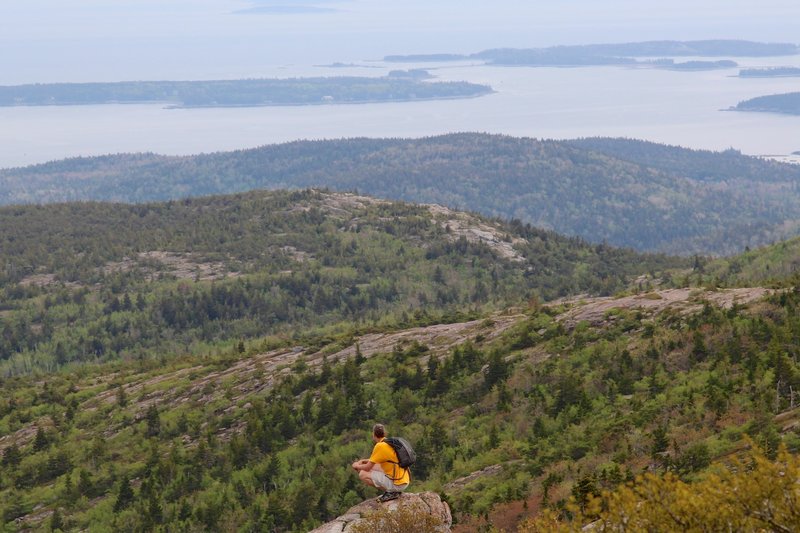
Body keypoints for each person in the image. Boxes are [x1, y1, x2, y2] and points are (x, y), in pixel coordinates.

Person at [351, 423, 411, 502]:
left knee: (363, 474)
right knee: (374, 467)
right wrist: (364, 461)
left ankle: (391, 492)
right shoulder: (389, 443)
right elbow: (378, 460)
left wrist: (356, 465)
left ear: (374, 434)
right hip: (404, 480)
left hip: (397, 484)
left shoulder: (379, 446)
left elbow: (367, 467)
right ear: (384, 433)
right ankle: (392, 491)